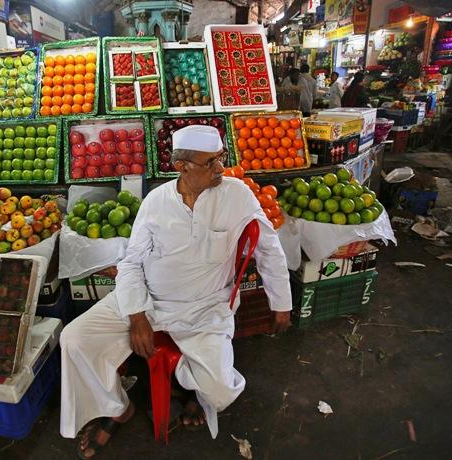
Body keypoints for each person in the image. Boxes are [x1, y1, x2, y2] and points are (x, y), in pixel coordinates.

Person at [60, 125, 292, 459]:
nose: (220, 169)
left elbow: (269, 249)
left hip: (204, 307)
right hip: (149, 298)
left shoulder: (237, 194)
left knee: (221, 388)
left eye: (221, 159)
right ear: (181, 166)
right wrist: (138, 316)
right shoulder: (156, 202)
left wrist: (281, 303)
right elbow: (131, 263)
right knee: (75, 338)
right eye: (209, 162)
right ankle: (117, 407)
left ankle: (185, 385)